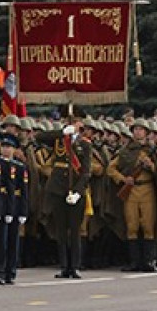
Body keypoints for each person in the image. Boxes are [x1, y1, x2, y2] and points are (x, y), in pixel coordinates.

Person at [36, 109, 92, 279]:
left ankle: (74, 266)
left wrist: (77, 191)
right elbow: (40, 137)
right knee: (61, 230)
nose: (74, 125)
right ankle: (63, 266)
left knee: (74, 231)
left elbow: (86, 172)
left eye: (76, 122)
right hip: (58, 189)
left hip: (75, 190)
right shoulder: (59, 140)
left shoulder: (85, 144)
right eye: (71, 122)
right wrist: (62, 132)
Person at [109, 118, 157, 272]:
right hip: (131, 191)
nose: (138, 132)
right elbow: (111, 169)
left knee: (148, 226)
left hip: (147, 189)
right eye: (135, 129)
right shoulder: (125, 150)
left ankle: (149, 261)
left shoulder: (152, 150)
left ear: (146, 132)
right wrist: (124, 179)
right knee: (132, 226)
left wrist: (151, 166)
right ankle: (134, 262)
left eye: (141, 129)